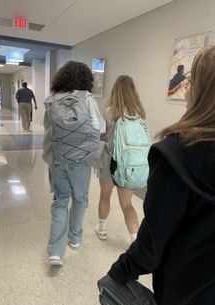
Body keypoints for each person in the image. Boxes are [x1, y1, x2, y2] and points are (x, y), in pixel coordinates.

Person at [105, 46, 215, 305]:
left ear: (204, 92)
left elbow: (152, 245)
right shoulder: (142, 117)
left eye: (192, 81)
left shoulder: (176, 155)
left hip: (187, 289)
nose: (186, 88)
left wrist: (118, 272)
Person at [42, 61, 105, 266]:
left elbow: (48, 132)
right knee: (80, 199)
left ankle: (55, 252)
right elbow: (100, 128)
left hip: (58, 160)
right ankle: (75, 239)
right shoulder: (87, 99)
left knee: (60, 201)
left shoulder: (51, 100)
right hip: (81, 161)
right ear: (86, 79)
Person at [95, 75, 147, 243]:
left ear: (115, 90)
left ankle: (102, 230)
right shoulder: (139, 113)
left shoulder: (109, 111)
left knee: (104, 196)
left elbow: (101, 135)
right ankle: (134, 240)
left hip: (109, 162)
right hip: (129, 165)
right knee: (127, 204)